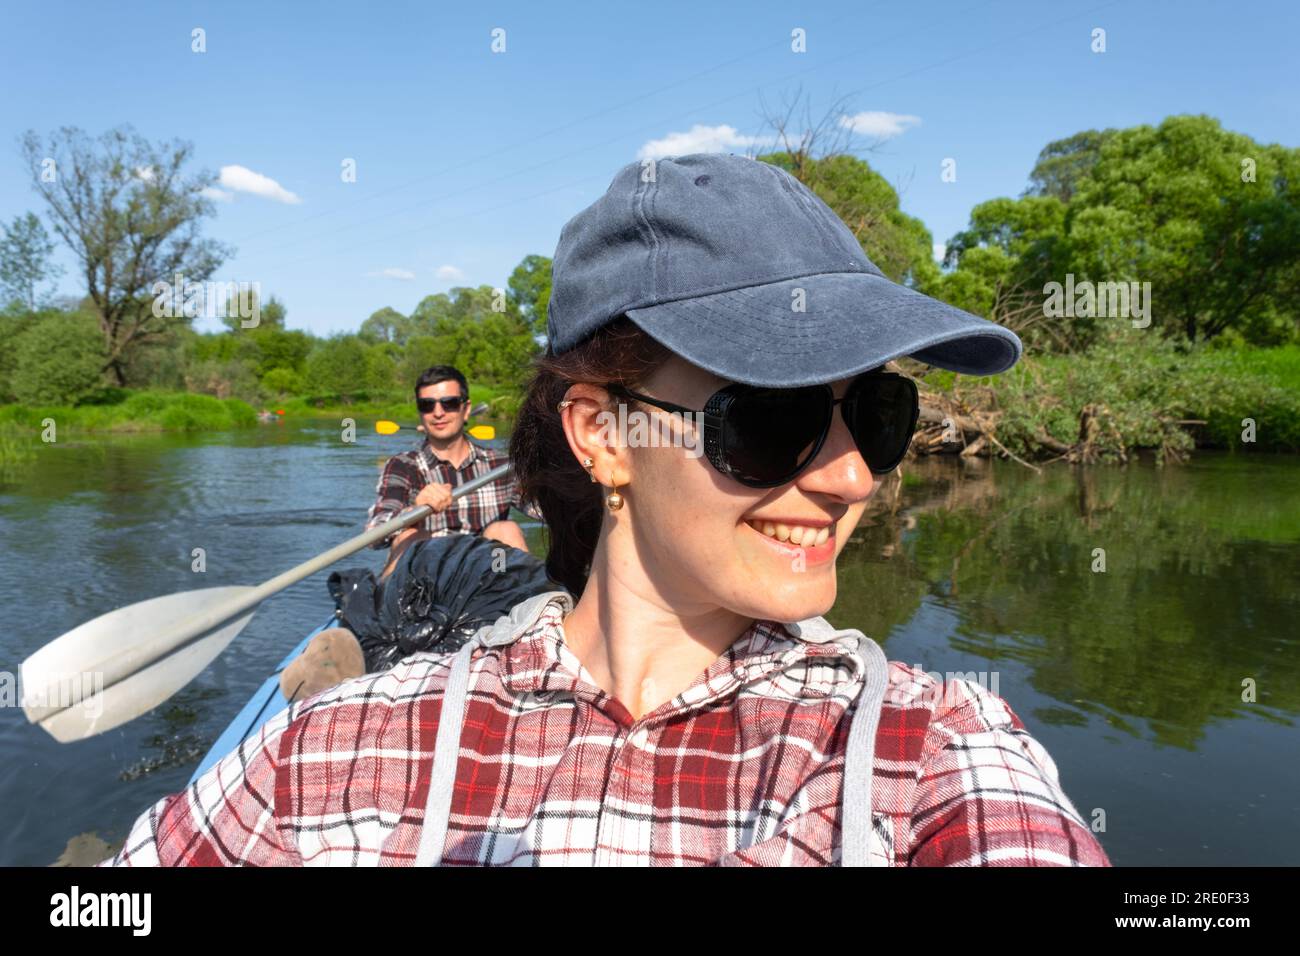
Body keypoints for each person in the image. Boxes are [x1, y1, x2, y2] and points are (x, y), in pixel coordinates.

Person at [102, 153, 1110, 866]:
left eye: (880, 413)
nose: (854, 477)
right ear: (600, 434)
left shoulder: (929, 745)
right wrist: (430, 520)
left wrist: (487, 521)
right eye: (772, 417)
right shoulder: (331, 755)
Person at [367, 365, 535, 579]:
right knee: (412, 536)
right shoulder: (402, 465)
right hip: (424, 582)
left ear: (465, 409)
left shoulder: (500, 466)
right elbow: (375, 534)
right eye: (427, 405)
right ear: (420, 413)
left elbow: (546, 510)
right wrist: (413, 511)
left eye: (449, 403)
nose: (438, 413)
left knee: (505, 530)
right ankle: (388, 608)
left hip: (488, 577)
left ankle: (529, 601)